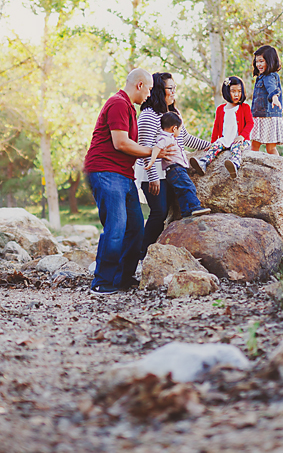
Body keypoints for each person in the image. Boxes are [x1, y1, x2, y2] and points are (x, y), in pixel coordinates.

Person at [83, 68, 176, 295]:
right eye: (149, 90)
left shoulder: (128, 108)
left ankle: (122, 279)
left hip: (124, 175)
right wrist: (153, 152)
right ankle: (102, 282)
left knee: (135, 229)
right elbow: (121, 143)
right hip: (106, 172)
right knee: (116, 227)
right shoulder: (118, 103)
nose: (149, 95)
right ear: (139, 85)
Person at [137, 72, 210, 255]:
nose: (174, 92)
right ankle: (141, 254)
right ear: (158, 91)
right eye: (170, 88)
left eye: (174, 88)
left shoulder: (173, 113)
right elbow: (144, 147)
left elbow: (185, 138)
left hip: (172, 170)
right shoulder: (148, 115)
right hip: (153, 172)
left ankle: (161, 253)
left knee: (170, 213)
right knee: (159, 213)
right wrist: (153, 177)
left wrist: (211, 146)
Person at [146, 112, 211, 217]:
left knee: (180, 191)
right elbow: (156, 148)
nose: (181, 132)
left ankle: (185, 212)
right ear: (174, 128)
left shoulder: (169, 138)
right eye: (180, 129)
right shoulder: (165, 138)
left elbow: (187, 139)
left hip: (174, 170)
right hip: (176, 169)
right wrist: (152, 160)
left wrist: (210, 145)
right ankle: (195, 207)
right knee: (188, 187)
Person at [191, 76, 253, 177]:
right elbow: (216, 127)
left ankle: (235, 165)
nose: (236, 94)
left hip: (241, 140)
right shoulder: (220, 109)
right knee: (215, 147)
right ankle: (203, 163)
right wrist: (213, 142)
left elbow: (250, 123)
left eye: (239, 91)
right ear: (226, 92)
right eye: (233, 91)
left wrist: (242, 136)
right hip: (225, 139)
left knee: (236, 148)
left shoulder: (244, 107)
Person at [250, 44, 283, 155]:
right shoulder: (263, 77)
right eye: (257, 61)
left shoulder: (269, 76)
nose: (258, 64)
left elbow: (272, 88)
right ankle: (277, 164)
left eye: (261, 61)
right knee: (270, 148)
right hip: (265, 115)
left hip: (265, 116)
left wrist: (274, 98)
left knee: (256, 146)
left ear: (270, 61)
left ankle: (255, 163)